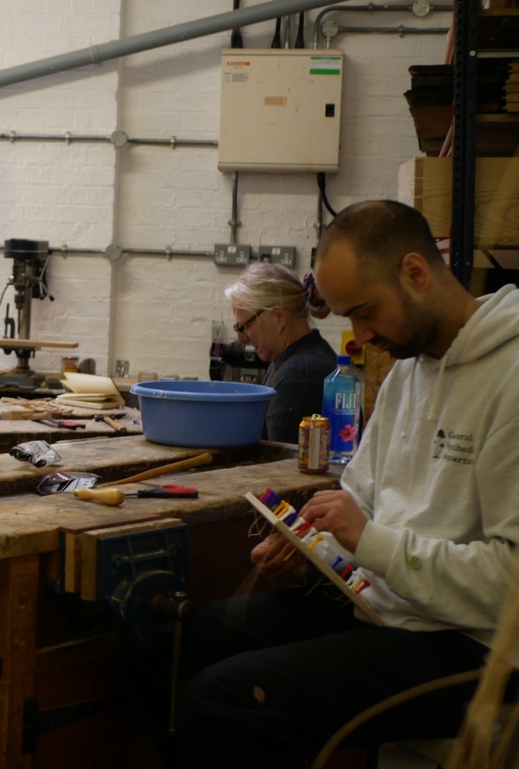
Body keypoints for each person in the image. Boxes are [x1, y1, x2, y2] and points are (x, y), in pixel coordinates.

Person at [168, 200, 519, 767]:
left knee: (222, 702)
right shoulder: (408, 368)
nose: (360, 336)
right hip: (390, 606)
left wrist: (369, 541)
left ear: (415, 273)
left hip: (476, 647)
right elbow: (361, 495)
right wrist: (313, 548)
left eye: (365, 312)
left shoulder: (511, 375)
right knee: (182, 634)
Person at [224, 261, 336, 443]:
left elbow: (280, 459)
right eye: (239, 328)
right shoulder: (294, 359)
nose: (241, 338)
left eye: (245, 326)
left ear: (279, 317)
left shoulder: (299, 376)